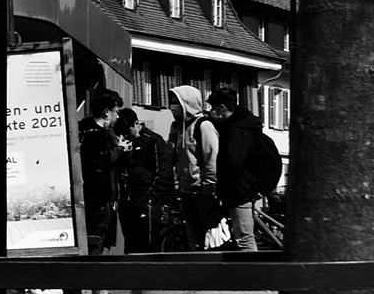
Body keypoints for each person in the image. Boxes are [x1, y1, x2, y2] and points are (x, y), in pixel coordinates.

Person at [64, 89, 128, 294]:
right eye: (116, 112)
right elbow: (98, 167)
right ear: (107, 112)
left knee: (93, 246)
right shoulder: (97, 134)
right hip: (97, 200)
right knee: (94, 246)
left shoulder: (82, 129)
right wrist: (121, 150)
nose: (118, 117)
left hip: (90, 199)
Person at [205, 87, 272, 251]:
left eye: (213, 108)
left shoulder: (236, 131)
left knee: (245, 240)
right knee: (244, 236)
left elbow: (232, 163)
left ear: (221, 107)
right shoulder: (244, 125)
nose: (212, 112)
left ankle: (251, 275)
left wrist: (221, 188)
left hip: (239, 190)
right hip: (246, 187)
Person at [163, 85, 220, 251]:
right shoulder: (177, 128)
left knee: (209, 239)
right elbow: (172, 159)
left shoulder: (203, 126)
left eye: (177, 102)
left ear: (187, 103)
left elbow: (212, 157)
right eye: (172, 102)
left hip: (203, 192)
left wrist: (209, 186)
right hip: (186, 191)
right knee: (193, 239)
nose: (172, 107)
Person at [113, 108, 166, 253]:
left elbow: (163, 172)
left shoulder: (153, 140)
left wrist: (151, 199)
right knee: (130, 245)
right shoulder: (122, 143)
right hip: (127, 199)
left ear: (136, 123)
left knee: (148, 244)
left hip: (144, 198)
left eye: (128, 131)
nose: (125, 135)